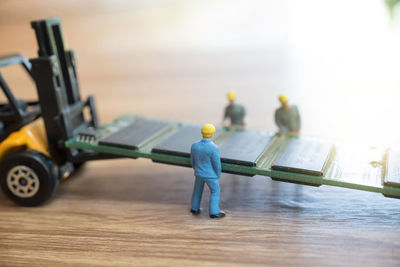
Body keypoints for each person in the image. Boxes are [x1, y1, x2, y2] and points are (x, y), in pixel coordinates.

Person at [190, 124, 225, 219]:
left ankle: (194, 208)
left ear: (202, 133)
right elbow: (216, 164)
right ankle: (214, 212)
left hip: (198, 173)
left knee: (197, 191)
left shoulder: (195, 145)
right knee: (215, 191)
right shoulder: (214, 148)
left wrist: (196, 169)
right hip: (210, 175)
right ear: (212, 134)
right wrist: (217, 174)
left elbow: (192, 161)